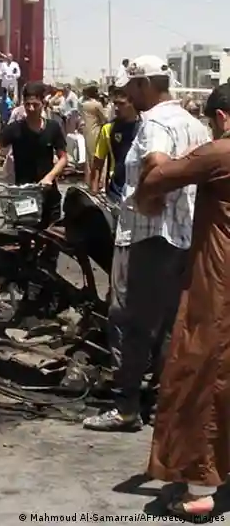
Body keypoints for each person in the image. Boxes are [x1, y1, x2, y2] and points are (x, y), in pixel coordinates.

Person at [83, 55, 210, 432]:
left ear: (145, 85)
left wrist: (145, 196)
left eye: (131, 87)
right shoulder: (194, 124)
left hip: (152, 236)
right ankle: (162, 403)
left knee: (135, 324)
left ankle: (126, 408)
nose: (127, 95)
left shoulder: (154, 122)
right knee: (169, 325)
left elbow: (156, 164)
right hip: (183, 235)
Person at [137, 83, 230, 517]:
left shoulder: (219, 153)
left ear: (221, 117)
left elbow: (156, 178)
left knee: (201, 374)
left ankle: (199, 489)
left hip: (219, 281)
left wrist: (156, 160)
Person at [0, 80, 68, 228]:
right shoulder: (15, 128)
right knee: (22, 236)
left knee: (51, 237)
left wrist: (49, 177)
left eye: (35, 105)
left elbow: (63, 158)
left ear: (43, 103)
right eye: (27, 105)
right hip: (23, 195)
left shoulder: (53, 127)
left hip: (48, 194)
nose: (31, 109)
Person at [90, 89, 140, 201]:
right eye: (115, 103)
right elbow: (97, 163)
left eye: (121, 104)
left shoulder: (145, 127)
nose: (116, 108)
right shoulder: (108, 128)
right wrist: (94, 192)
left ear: (132, 103)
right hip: (115, 190)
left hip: (138, 191)